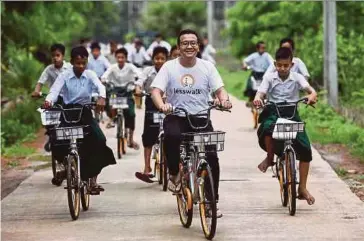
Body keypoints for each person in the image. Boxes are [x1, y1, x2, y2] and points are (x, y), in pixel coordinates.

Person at [150, 29, 232, 217]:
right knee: (171, 136)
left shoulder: (207, 67)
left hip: (201, 118)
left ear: (198, 46)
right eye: (185, 43)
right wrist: (162, 105)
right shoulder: (169, 67)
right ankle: (174, 173)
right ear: (178, 47)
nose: (189, 46)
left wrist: (224, 100)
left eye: (193, 43)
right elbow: (155, 90)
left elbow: (220, 89)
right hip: (176, 116)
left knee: (212, 158)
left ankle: (212, 202)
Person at [44, 46, 116, 194]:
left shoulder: (90, 74)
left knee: (99, 140)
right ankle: (65, 166)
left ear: (87, 62)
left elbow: (100, 87)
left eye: (84, 63)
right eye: (78, 63)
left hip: (85, 112)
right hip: (68, 112)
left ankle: (93, 182)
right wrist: (48, 102)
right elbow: (54, 91)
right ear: (71, 62)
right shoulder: (64, 75)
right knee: (56, 139)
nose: (81, 66)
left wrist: (102, 98)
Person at [253, 47, 317, 205]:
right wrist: (258, 99)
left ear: (292, 64)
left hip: (292, 112)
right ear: (275, 64)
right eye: (279, 65)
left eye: (286, 65)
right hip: (274, 111)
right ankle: (269, 158)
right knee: (267, 128)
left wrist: (311, 96)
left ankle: (302, 188)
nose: (282, 68)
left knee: (305, 147)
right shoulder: (269, 77)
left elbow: (311, 90)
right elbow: (260, 93)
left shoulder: (297, 77)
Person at [134, 46, 169, 183]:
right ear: (153, 59)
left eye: (162, 58)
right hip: (151, 103)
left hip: (168, 103)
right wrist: (138, 89)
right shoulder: (147, 71)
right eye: (157, 58)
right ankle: (147, 167)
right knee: (149, 136)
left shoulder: (169, 71)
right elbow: (139, 82)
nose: (159, 61)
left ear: (166, 59)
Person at [32, 43, 72, 154]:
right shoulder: (49, 69)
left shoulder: (69, 67)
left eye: (58, 55)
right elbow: (40, 82)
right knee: (46, 114)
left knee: (72, 117)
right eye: (53, 55)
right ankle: (51, 135)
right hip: (53, 98)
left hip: (68, 98)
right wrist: (36, 91)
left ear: (63, 56)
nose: (55, 58)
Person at [101, 48, 140, 150]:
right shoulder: (112, 67)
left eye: (122, 57)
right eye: (118, 57)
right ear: (116, 58)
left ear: (126, 58)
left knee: (131, 114)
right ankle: (113, 119)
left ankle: (131, 139)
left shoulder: (131, 67)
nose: (120, 59)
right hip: (115, 91)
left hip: (127, 91)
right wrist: (104, 80)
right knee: (111, 99)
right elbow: (104, 76)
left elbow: (140, 75)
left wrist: (136, 84)